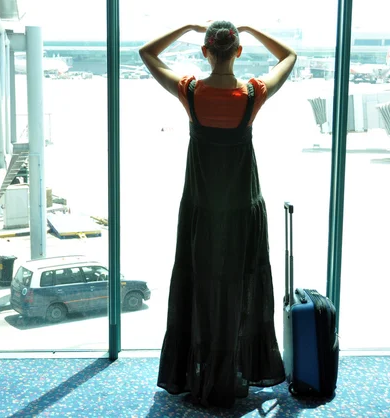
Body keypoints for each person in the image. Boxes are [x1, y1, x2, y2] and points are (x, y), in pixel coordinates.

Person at [139, 20, 297, 408]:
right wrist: (253, 30)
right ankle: (237, 370)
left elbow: (147, 53)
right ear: (238, 51)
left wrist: (183, 27)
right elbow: (289, 56)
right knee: (240, 289)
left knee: (200, 290)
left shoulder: (191, 91)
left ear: (204, 52)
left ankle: (200, 373)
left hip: (201, 211)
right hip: (243, 210)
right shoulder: (251, 95)